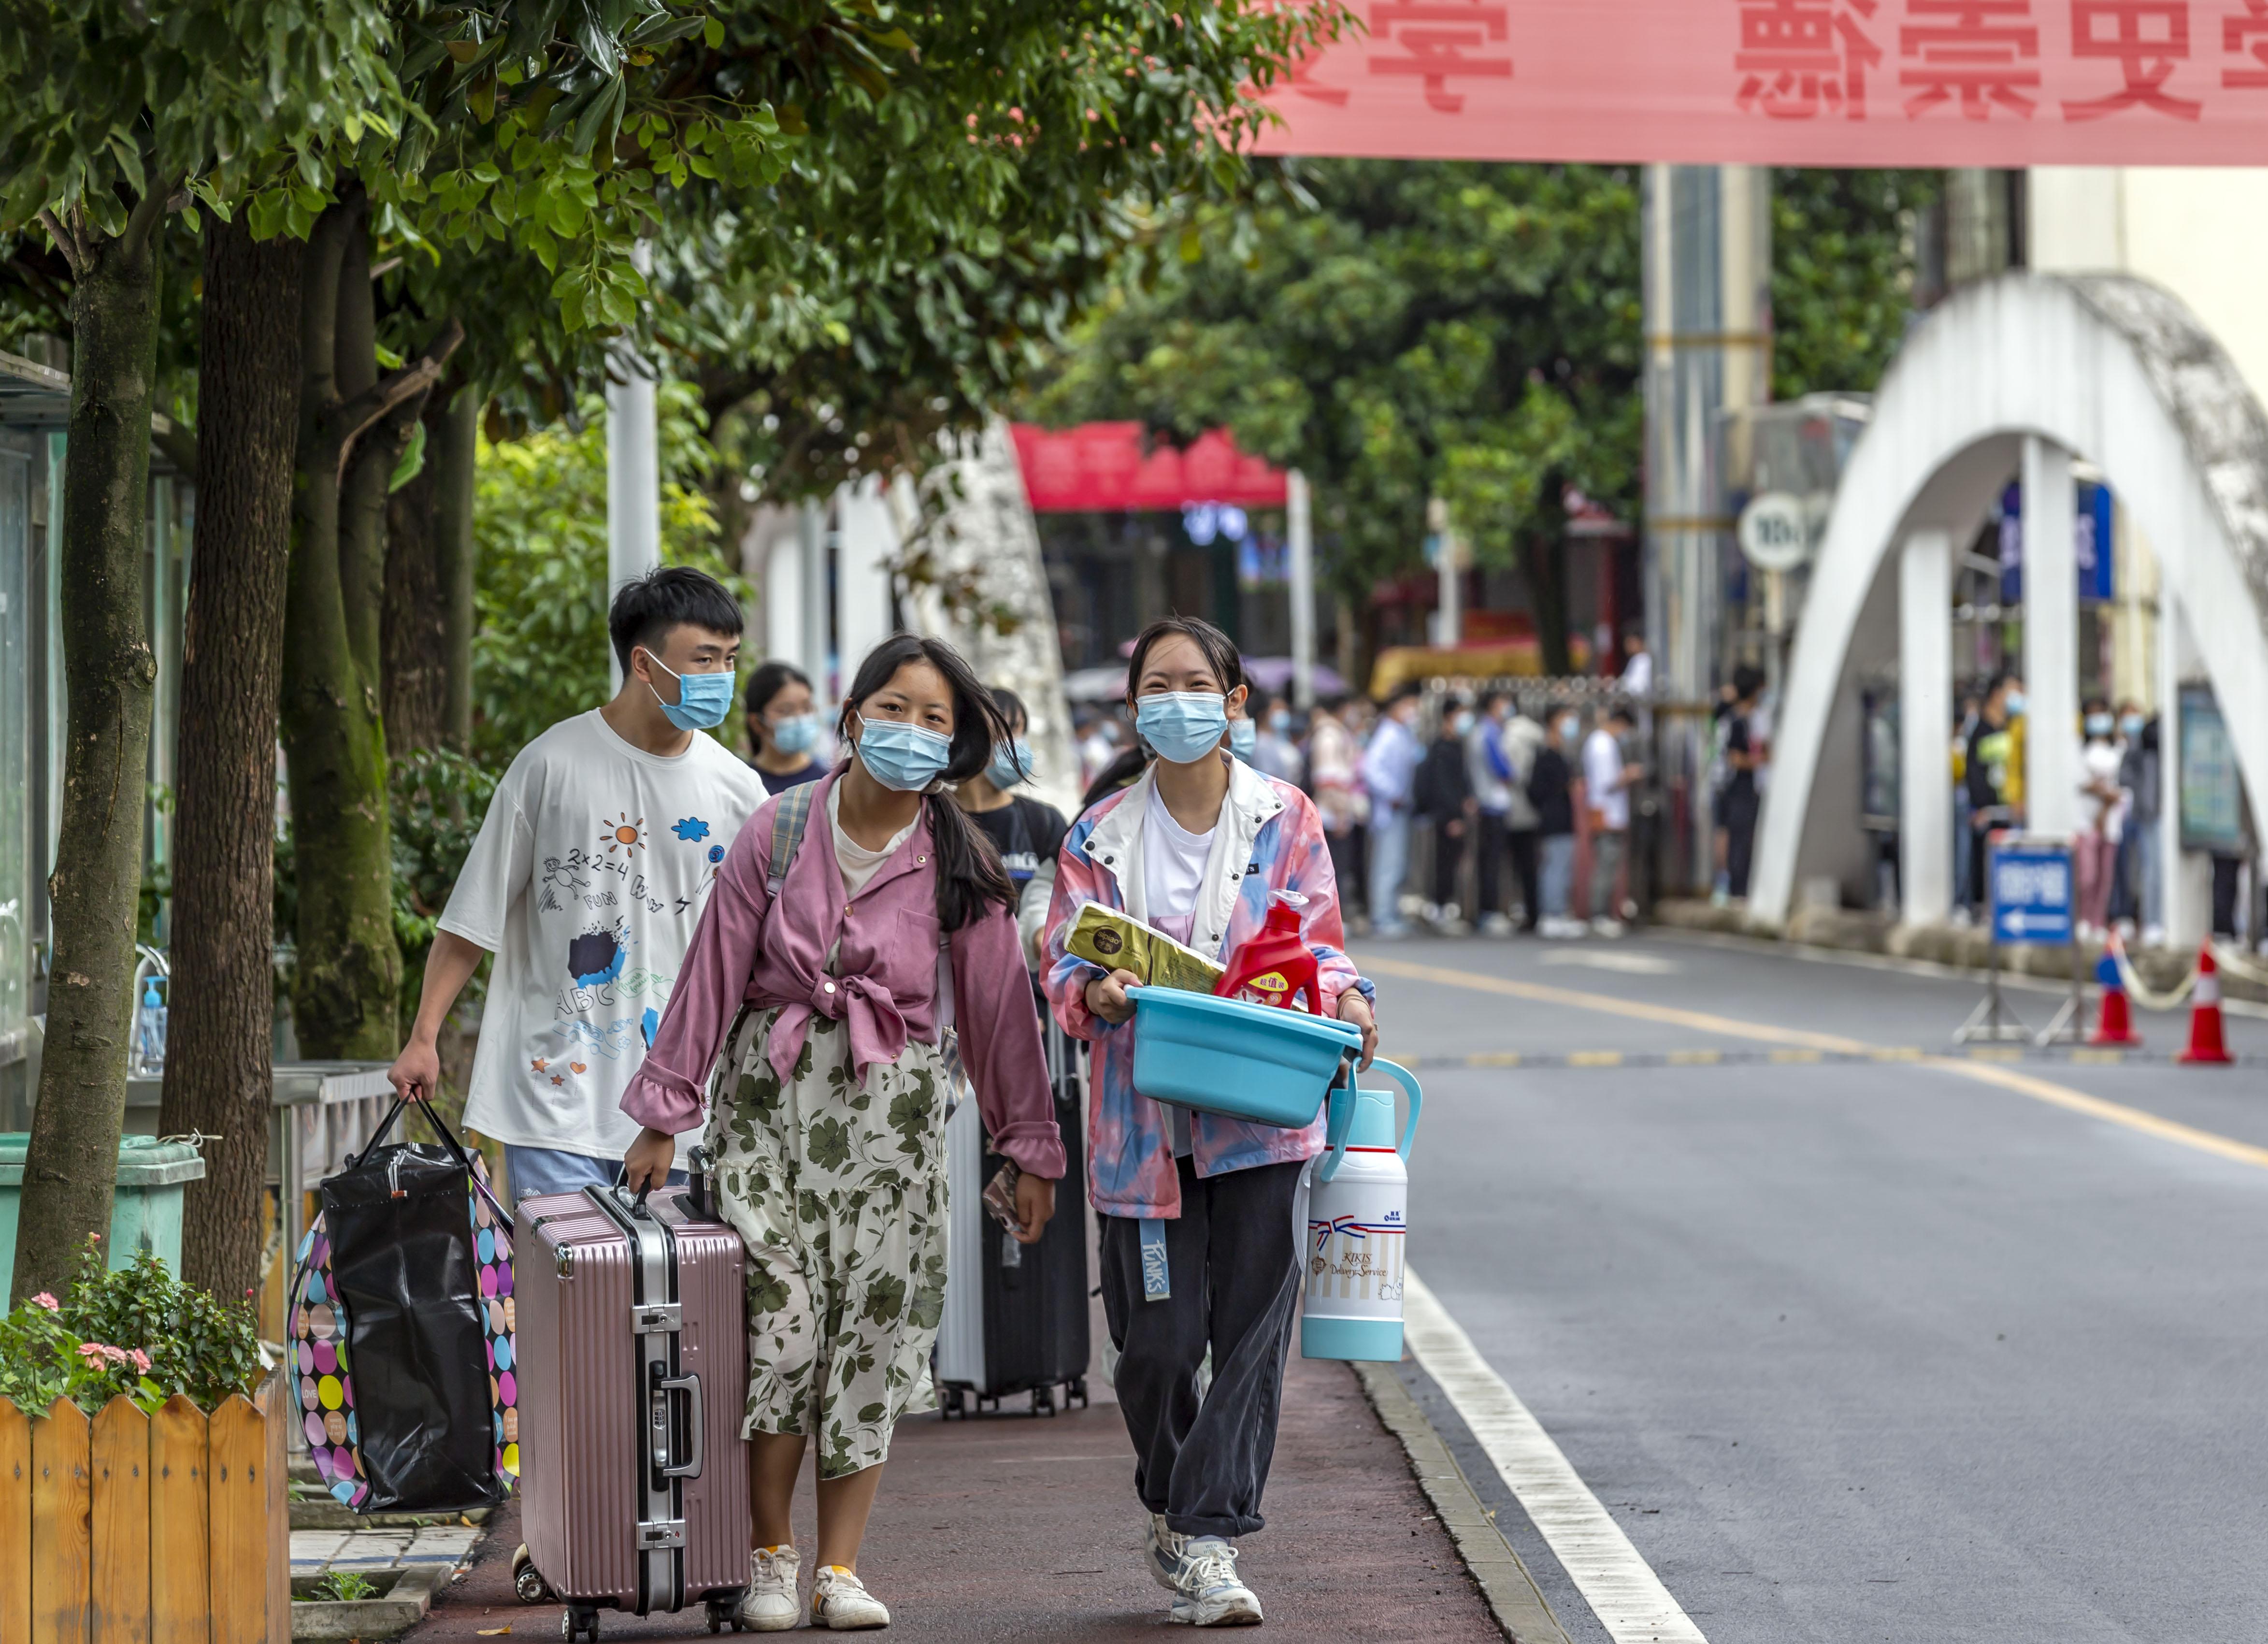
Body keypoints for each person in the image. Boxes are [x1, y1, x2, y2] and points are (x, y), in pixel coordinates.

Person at [619, 633, 1065, 1632]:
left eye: (935, 718)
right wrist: (662, 1116)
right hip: (767, 1108)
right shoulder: (776, 833)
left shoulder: (960, 860)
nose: (911, 731)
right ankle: (770, 1557)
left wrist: (1026, 1149)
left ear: (956, 747)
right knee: (777, 1330)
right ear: (854, 717)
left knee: (870, 1336)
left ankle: (840, 1568)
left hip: (893, 1125)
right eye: (894, 709)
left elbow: (1000, 1020)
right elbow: (711, 976)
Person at [1042, 616, 1377, 1630]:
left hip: (1264, 1118)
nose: (1175, 701)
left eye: (1197, 684)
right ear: (1133, 706)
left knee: (1248, 1337)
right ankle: (1177, 1503)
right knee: (1156, 1343)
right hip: (1144, 1130)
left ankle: (1209, 1535)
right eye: (1157, 685)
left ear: (1235, 703)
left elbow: (1321, 946)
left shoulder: (1287, 817)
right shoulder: (1096, 834)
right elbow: (1060, 959)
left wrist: (1351, 1003)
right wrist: (1093, 992)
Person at [386, 567, 764, 1203]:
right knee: (570, 1300)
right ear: (644, 664)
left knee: (684, 1303)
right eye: (704, 659)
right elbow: (472, 915)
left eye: (729, 659)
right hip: (555, 1102)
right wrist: (423, 1036)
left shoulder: (739, 791)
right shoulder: (550, 765)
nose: (721, 678)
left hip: (690, 1116)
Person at [956, 685, 1070, 969]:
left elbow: (1065, 910)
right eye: (1008, 731)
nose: (1018, 744)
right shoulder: (934, 819)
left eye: (1021, 733)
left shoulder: (1044, 822)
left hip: (1032, 992)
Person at [1361, 685, 1424, 939]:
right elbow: (1371, 769)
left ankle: (1390, 913)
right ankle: (1382, 916)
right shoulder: (1388, 734)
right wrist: (1393, 794)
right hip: (1391, 810)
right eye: (1410, 706)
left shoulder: (1402, 733)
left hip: (1400, 808)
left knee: (1397, 863)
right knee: (1388, 864)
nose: (1414, 712)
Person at [1414, 695, 1476, 932]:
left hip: (1456, 813)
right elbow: (1443, 786)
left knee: (1452, 860)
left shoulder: (1456, 745)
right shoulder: (1441, 747)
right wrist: (1453, 816)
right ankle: (1439, 907)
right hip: (1447, 816)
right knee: (1444, 861)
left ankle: (1446, 906)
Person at [1581, 703, 1642, 937]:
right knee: (1605, 865)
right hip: (1605, 812)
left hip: (1606, 811)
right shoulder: (1603, 745)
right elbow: (1607, 782)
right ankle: (1599, 915)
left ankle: (1602, 914)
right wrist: (1630, 775)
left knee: (1607, 864)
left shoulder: (1600, 743)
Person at [1306, 696, 1367, 929]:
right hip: (1333, 812)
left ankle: (1332, 921)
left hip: (1336, 809)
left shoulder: (1333, 733)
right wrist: (1341, 813)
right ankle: (1331, 922)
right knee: (1334, 868)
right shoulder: (1329, 736)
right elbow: (1327, 779)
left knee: (1335, 867)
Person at [1966, 673, 2024, 915]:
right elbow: (1974, 773)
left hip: (2014, 812)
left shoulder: (2016, 728)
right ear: (1997, 694)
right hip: (1989, 814)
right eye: (2013, 691)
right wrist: (1981, 806)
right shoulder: (1979, 732)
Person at [2074, 697, 2125, 939]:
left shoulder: (2118, 751)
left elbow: (2122, 790)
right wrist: (2104, 795)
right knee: (2088, 875)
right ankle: (2084, 917)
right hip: (2087, 822)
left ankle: (2098, 920)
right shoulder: (2081, 751)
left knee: (2106, 877)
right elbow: (2082, 783)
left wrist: (2107, 801)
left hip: (2112, 824)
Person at [2116, 701, 2164, 945]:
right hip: (2147, 814)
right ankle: (2151, 921)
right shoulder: (2142, 739)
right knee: (2149, 870)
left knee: (2160, 870)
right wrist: (2142, 793)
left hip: (2166, 815)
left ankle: (2161, 920)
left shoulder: (2166, 736)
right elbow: (2124, 775)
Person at [1529, 708, 1580, 937]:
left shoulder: (1559, 754)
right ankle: (1552, 915)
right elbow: (1535, 790)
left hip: (1562, 819)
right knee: (1555, 869)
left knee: (1562, 867)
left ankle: (1558, 913)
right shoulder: (1547, 757)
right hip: (1555, 820)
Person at [1720, 666, 1767, 901]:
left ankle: (1745, 887)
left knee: (1747, 839)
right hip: (1739, 788)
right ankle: (1737, 890)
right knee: (1740, 840)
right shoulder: (1737, 721)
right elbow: (1736, 759)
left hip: (1750, 787)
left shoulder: (1755, 718)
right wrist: (1762, 760)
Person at [745, 660, 826, 795]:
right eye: (786, 711)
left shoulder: (825, 783)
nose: (800, 719)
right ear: (757, 723)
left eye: (807, 708)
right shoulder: (744, 781)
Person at [1618, 625, 1652, 696]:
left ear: (1640, 642)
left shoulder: (1645, 659)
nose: (1628, 646)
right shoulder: (1635, 659)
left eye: (1631, 642)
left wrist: (1622, 685)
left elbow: (1639, 687)